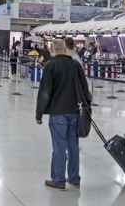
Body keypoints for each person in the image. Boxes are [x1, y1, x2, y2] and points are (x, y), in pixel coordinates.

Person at [36, 39, 91, 190]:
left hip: (58, 113)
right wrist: (88, 107)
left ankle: (58, 180)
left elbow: (45, 92)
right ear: (65, 49)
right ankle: (74, 178)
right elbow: (85, 89)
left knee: (59, 146)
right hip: (75, 112)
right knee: (73, 145)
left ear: (53, 49)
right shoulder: (75, 65)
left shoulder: (50, 65)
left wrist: (39, 114)